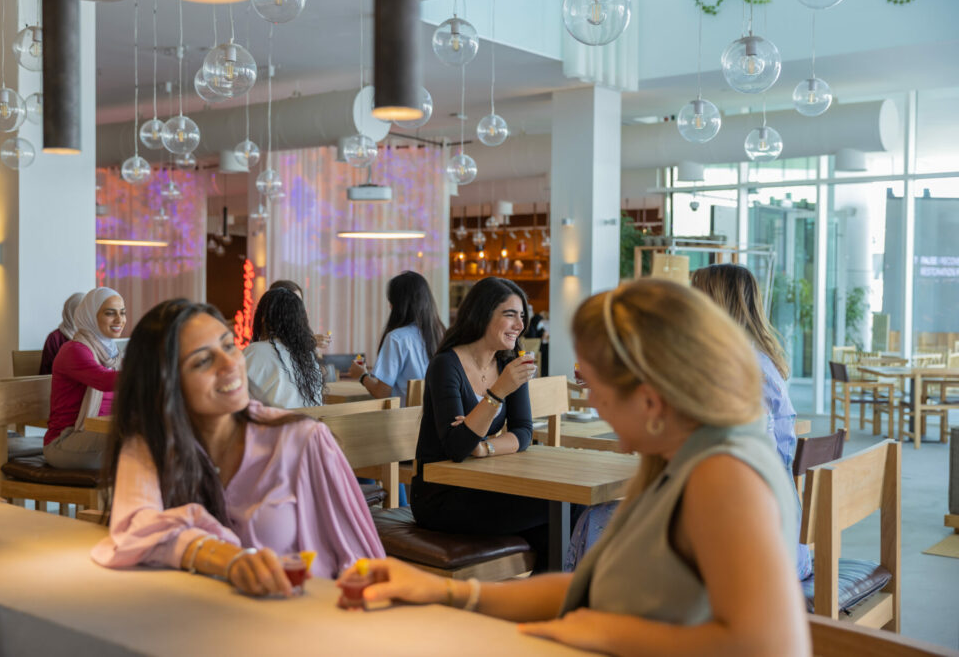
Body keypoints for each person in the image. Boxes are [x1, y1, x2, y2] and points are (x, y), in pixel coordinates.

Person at [345, 280, 809, 657]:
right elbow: (589, 591)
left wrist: (603, 632)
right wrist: (451, 594)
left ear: (650, 396)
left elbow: (770, 646)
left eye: (599, 392)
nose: (599, 413)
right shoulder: (678, 459)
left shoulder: (727, 475)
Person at [91, 299, 383, 593]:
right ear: (165, 385)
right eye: (203, 361)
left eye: (229, 346)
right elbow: (132, 528)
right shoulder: (150, 443)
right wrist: (224, 557)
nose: (230, 364)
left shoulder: (303, 440)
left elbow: (365, 564)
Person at [409, 277, 547, 563]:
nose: (520, 325)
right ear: (482, 314)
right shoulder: (446, 364)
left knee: (557, 524)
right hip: (441, 496)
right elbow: (458, 447)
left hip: (485, 485)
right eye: (510, 315)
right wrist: (498, 392)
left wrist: (485, 447)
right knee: (558, 509)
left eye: (522, 316)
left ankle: (544, 600)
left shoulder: (509, 363)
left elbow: (523, 431)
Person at [691, 262, 813, 580]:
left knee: (600, 520)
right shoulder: (758, 359)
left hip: (756, 550)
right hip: (786, 536)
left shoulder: (733, 370)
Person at [44, 288, 126, 470]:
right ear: (90, 315)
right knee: (143, 443)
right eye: (110, 313)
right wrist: (149, 370)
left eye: (122, 313)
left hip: (98, 435)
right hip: (65, 441)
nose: (119, 320)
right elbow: (104, 380)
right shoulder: (74, 350)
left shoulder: (112, 354)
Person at [349, 271, 446, 401]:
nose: (390, 306)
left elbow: (382, 393)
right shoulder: (441, 334)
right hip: (436, 418)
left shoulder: (396, 338)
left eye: (391, 301)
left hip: (405, 419)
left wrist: (362, 376)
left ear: (398, 305)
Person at [244, 287, 325, 408]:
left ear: (263, 318)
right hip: (308, 423)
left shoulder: (254, 352)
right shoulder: (307, 355)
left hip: (274, 424)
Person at [269, 279, 331, 350]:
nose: (298, 307)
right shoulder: (264, 337)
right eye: (293, 302)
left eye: (299, 302)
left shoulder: (300, 331)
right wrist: (305, 343)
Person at [40, 292, 86, 375]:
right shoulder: (55, 338)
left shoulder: (93, 336)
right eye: (81, 311)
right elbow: (46, 373)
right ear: (70, 312)